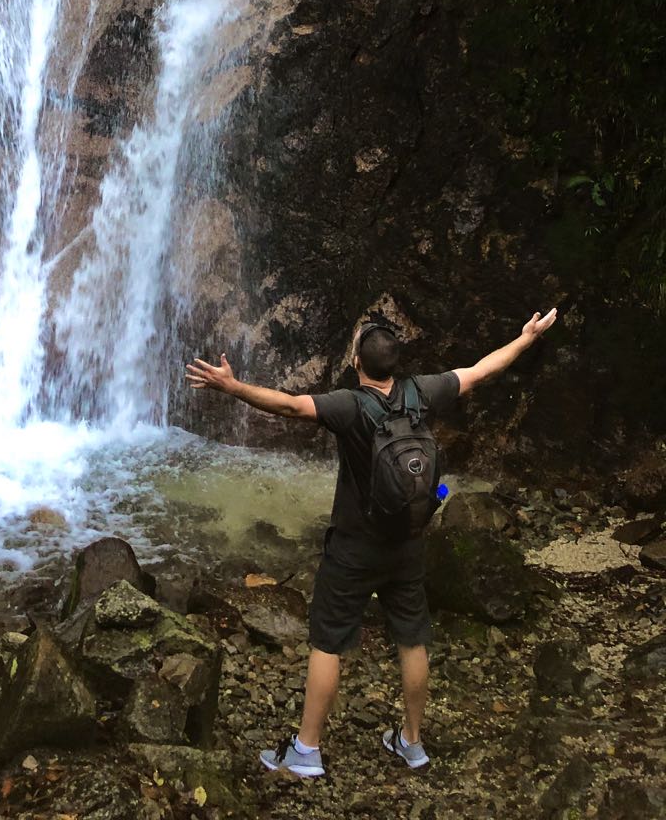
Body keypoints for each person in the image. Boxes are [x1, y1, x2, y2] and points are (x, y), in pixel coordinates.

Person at [184, 307, 558, 779]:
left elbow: (288, 405)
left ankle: (306, 750)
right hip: (409, 540)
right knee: (412, 636)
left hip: (355, 545)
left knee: (328, 640)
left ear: (358, 363)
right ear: (394, 364)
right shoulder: (423, 391)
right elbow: (483, 369)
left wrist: (231, 386)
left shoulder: (348, 404)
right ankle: (412, 742)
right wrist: (525, 338)